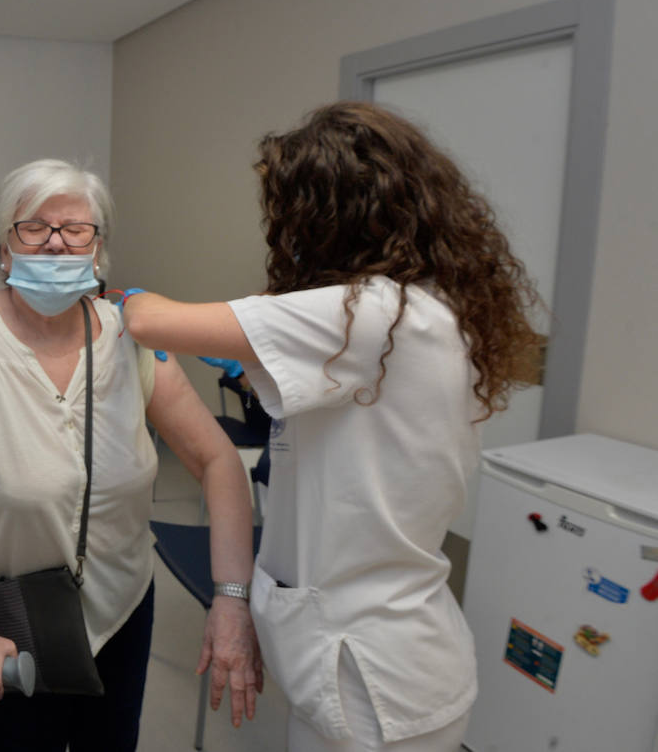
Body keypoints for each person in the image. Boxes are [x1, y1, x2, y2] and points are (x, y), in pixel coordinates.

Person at [122, 102, 542, 752]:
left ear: (329, 213)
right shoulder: (421, 307)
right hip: (369, 661)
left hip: (374, 680)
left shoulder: (370, 313)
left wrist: (128, 298)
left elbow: (151, 321)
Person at [0, 159, 261, 751]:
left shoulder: (129, 337)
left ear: (98, 250)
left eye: (75, 228)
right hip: (10, 616)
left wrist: (231, 600)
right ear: (3, 249)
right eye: (33, 227)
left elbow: (219, 462)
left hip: (122, 605)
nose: (56, 242)